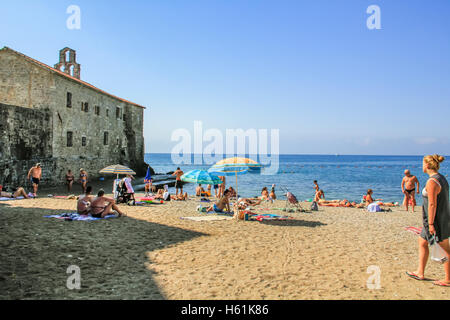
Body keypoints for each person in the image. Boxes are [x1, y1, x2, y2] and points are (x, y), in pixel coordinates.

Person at [406, 154, 450, 287]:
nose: (422, 166)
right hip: (437, 218)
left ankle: (448, 279)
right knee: (422, 242)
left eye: (423, 163)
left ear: (428, 165)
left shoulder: (432, 181)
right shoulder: (441, 178)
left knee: (444, 248)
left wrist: (431, 223)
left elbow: (432, 204)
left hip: (436, 220)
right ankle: (420, 272)